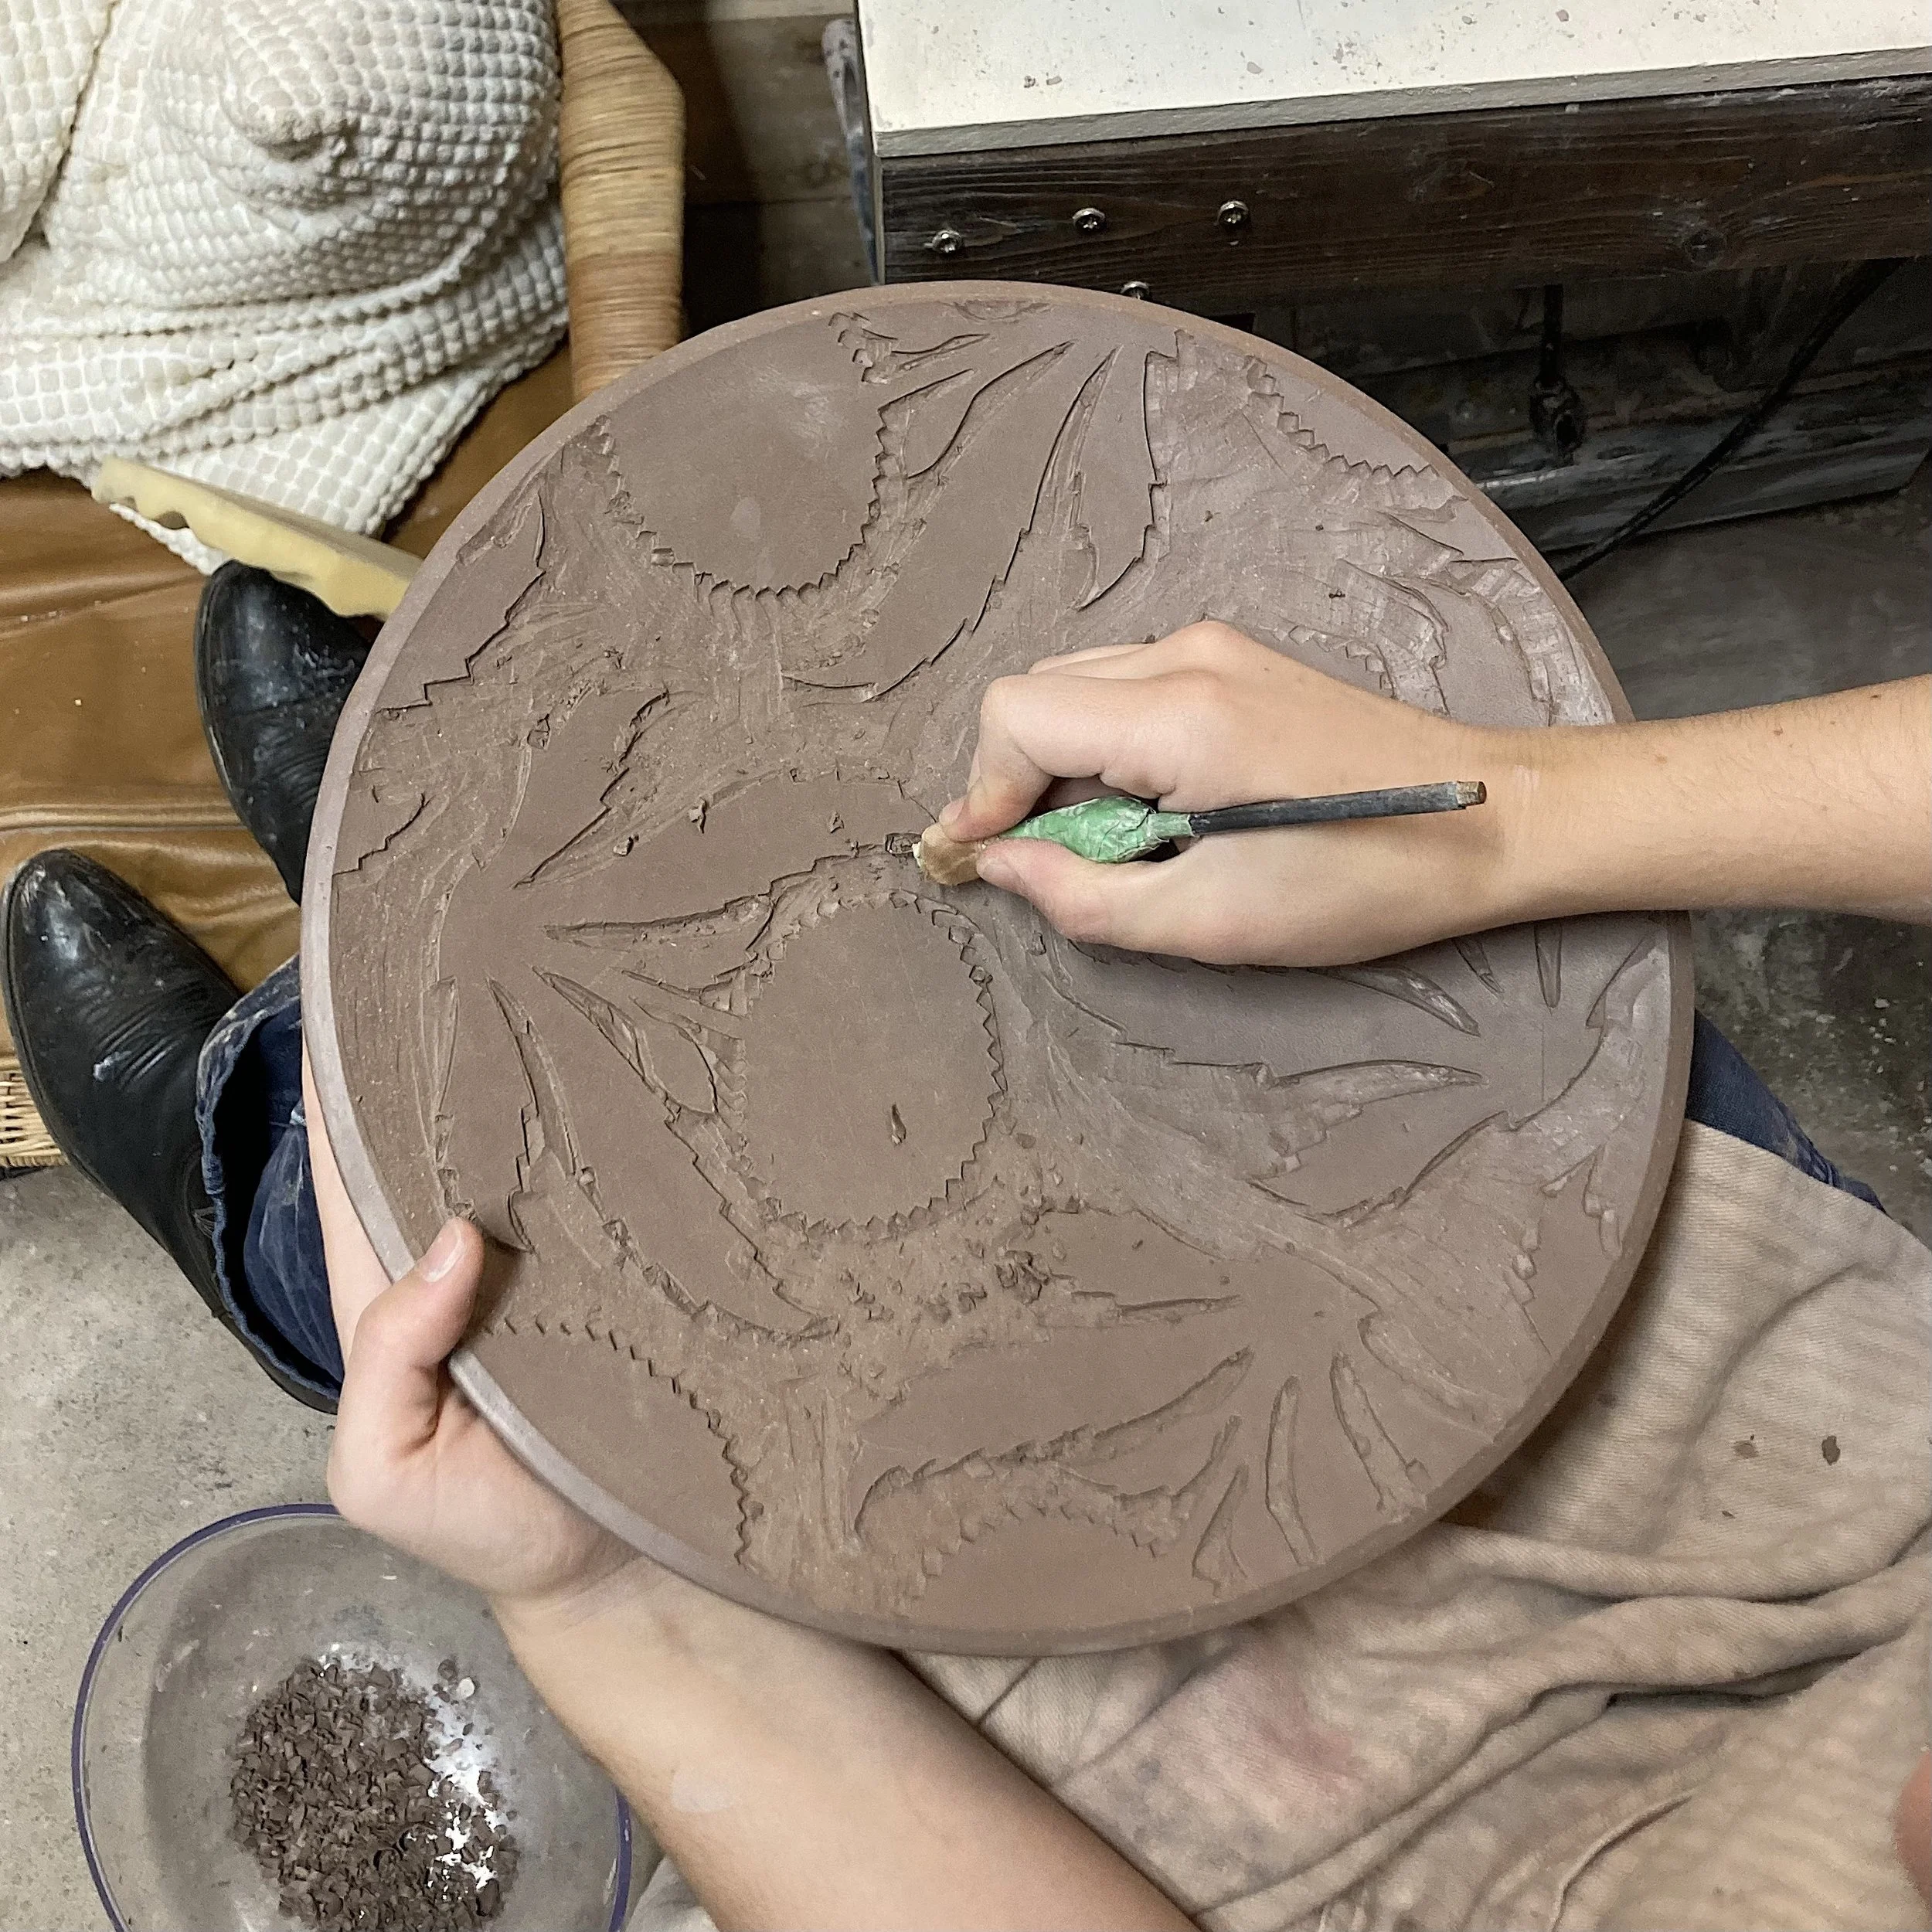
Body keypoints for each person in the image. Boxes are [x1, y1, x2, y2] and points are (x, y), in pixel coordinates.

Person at [5, 590, 1927, 1925]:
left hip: (1298, 1862)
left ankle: (245, 1158)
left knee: (544, 1305)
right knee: (1269, 1040)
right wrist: (1504, 816)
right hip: (1843, 1482)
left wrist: (617, 1601)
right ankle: (413, 895)